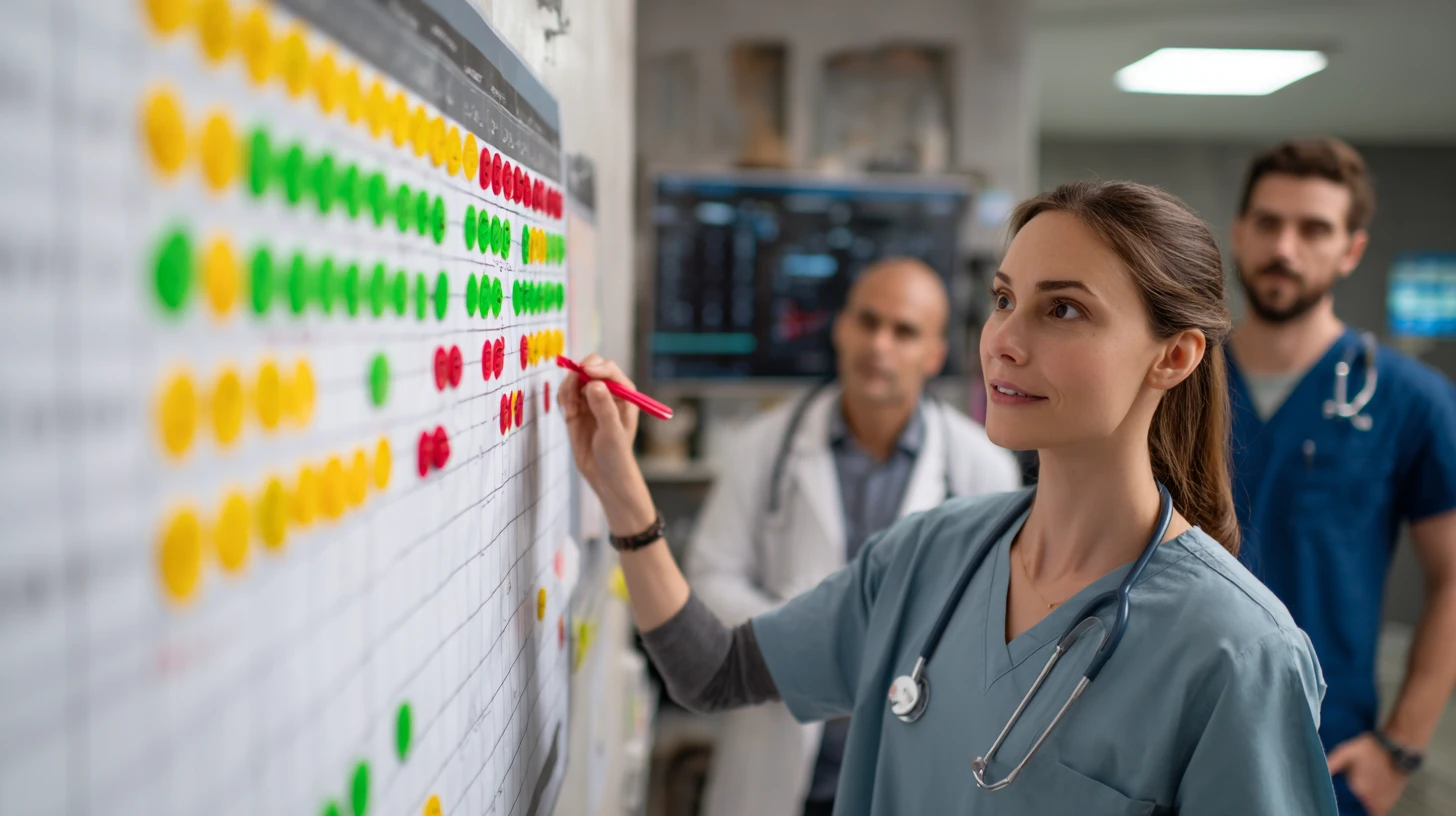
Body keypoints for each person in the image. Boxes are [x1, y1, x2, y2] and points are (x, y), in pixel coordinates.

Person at [561, 180, 1338, 814]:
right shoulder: (923, 556)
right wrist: (619, 486)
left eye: (1062, 309)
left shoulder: (1240, 654)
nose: (1004, 340)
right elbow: (713, 671)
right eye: (1004, 299)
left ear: (1174, 356)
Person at [685, 258, 1021, 816]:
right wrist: (810, 642)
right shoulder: (763, 446)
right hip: (778, 759)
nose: (879, 344)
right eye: (867, 321)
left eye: (904, 331)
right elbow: (709, 578)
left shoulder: (982, 469)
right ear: (841, 328)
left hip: (911, 770)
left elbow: (997, 627)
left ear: (934, 354)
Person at [1225, 138, 1456, 816]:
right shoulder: (1174, 383)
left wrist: (1401, 745)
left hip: (1326, 753)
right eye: (1268, 223)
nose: (1284, 248)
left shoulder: (1410, 400)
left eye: (1314, 229)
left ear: (1351, 250)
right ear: (1238, 232)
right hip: (1168, 736)